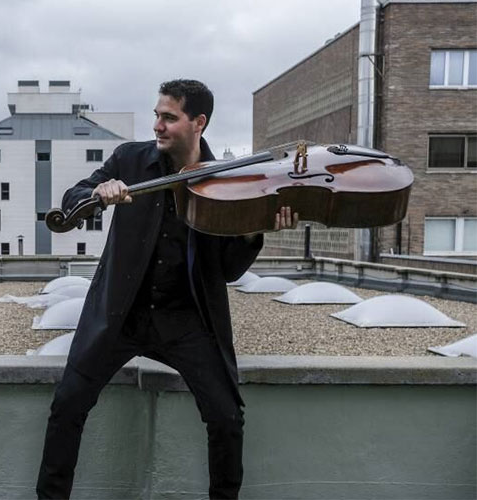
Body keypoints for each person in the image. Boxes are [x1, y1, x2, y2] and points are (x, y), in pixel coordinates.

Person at [35, 79, 298, 500]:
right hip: (120, 313)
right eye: (157, 115)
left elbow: (229, 270)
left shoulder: (228, 180)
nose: (157, 125)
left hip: (188, 319)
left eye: (169, 117)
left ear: (199, 123)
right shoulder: (129, 159)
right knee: (67, 405)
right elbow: (74, 195)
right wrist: (97, 192)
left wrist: (254, 231)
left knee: (227, 418)